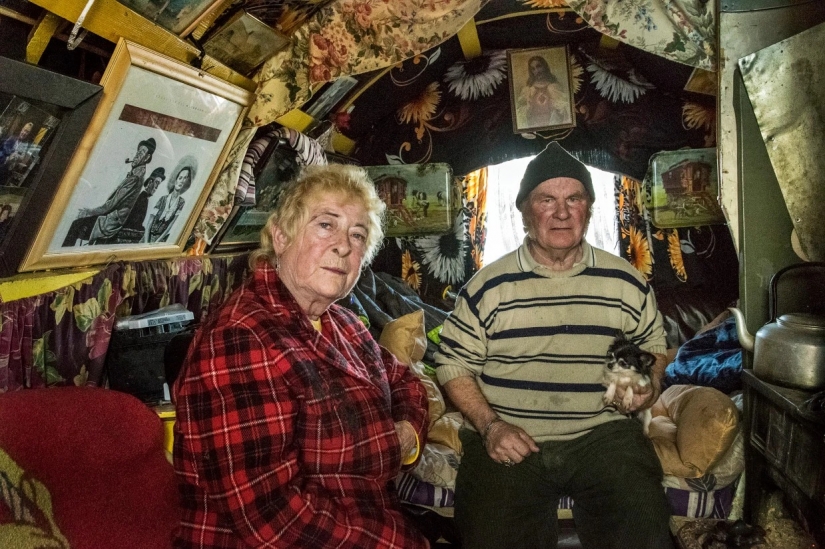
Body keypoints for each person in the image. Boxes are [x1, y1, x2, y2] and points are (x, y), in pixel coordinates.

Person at [172, 164, 431, 548]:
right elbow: (276, 522)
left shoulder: (343, 323)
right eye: (326, 225)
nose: (343, 245)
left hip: (366, 524)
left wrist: (407, 435)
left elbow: (407, 383)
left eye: (357, 235)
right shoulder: (241, 337)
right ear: (280, 236)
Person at [435, 142, 674, 549]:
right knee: (490, 536)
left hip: (603, 434)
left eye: (574, 198)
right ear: (524, 211)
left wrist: (643, 383)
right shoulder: (487, 287)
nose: (562, 212)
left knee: (644, 529)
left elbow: (650, 343)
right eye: (547, 199)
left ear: (589, 208)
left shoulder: (625, 281)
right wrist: (492, 427)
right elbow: (453, 364)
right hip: (511, 432)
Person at [61, 137, 155, 247]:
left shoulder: (135, 178)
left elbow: (112, 204)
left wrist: (90, 212)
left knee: (75, 225)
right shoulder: (136, 174)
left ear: (147, 157)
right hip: (112, 216)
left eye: (142, 152)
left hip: (112, 220)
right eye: (138, 151)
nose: (137, 155)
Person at [96, 167, 165, 244]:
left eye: (159, 184)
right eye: (157, 183)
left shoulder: (144, 198)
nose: (156, 187)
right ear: (150, 183)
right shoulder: (142, 198)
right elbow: (134, 222)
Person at [144, 157, 194, 243]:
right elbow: (149, 223)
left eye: (185, 178)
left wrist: (157, 243)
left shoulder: (181, 202)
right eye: (180, 178)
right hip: (147, 237)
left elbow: (170, 226)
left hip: (160, 240)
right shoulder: (163, 199)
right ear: (175, 181)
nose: (182, 181)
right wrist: (146, 243)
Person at [515, 55, 567, 129]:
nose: (537, 71)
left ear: (545, 67)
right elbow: (519, 114)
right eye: (533, 69)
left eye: (539, 66)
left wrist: (556, 107)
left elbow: (565, 111)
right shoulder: (527, 90)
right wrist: (528, 108)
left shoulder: (555, 87)